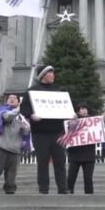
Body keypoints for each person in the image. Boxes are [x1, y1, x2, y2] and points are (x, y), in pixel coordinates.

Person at [20, 65, 68, 194]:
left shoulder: (59, 90)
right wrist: (31, 115)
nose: (52, 75)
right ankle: (43, 189)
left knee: (60, 161)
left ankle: (63, 189)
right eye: (49, 73)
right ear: (42, 75)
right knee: (43, 161)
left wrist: (70, 114)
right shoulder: (31, 91)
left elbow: (66, 107)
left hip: (57, 131)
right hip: (40, 133)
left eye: (53, 73)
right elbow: (24, 109)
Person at [0, 94, 30, 194]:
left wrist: (24, 128)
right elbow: (7, 117)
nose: (12, 99)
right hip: (0, 147)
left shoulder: (22, 117)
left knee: (11, 179)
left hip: (15, 149)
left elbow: (27, 131)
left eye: (14, 98)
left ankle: (10, 193)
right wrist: (19, 108)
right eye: (10, 98)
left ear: (18, 101)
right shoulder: (3, 110)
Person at [66, 105, 96, 194]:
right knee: (71, 176)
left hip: (89, 154)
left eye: (85, 108)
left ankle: (89, 194)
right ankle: (69, 191)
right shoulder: (72, 121)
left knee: (88, 177)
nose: (84, 111)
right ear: (78, 111)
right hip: (75, 153)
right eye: (82, 109)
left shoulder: (93, 121)